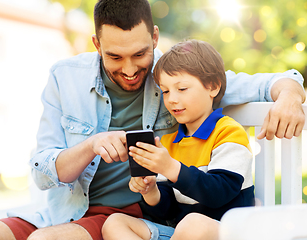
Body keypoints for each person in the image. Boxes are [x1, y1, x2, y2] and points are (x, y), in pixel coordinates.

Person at [0, 0, 305, 239]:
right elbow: (44, 173)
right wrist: (91, 145)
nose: (129, 69)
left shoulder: (175, 77)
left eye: (140, 55)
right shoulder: (65, 77)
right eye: (115, 57)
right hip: (65, 209)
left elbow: (268, 83)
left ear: (154, 38)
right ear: (97, 44)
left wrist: (290, 97)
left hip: (129, 214)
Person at [101, 39, 254, 240]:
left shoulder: (228, 133)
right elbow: (168, 213)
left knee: (193, 224)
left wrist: (171, 168)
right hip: (181, 233)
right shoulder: (168, 143)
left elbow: (218, 193)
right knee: (115, 223)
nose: (171, 99)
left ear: (213, 87)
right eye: (165, 91)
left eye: (181, 89)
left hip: (228, 232)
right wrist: (151, 191)